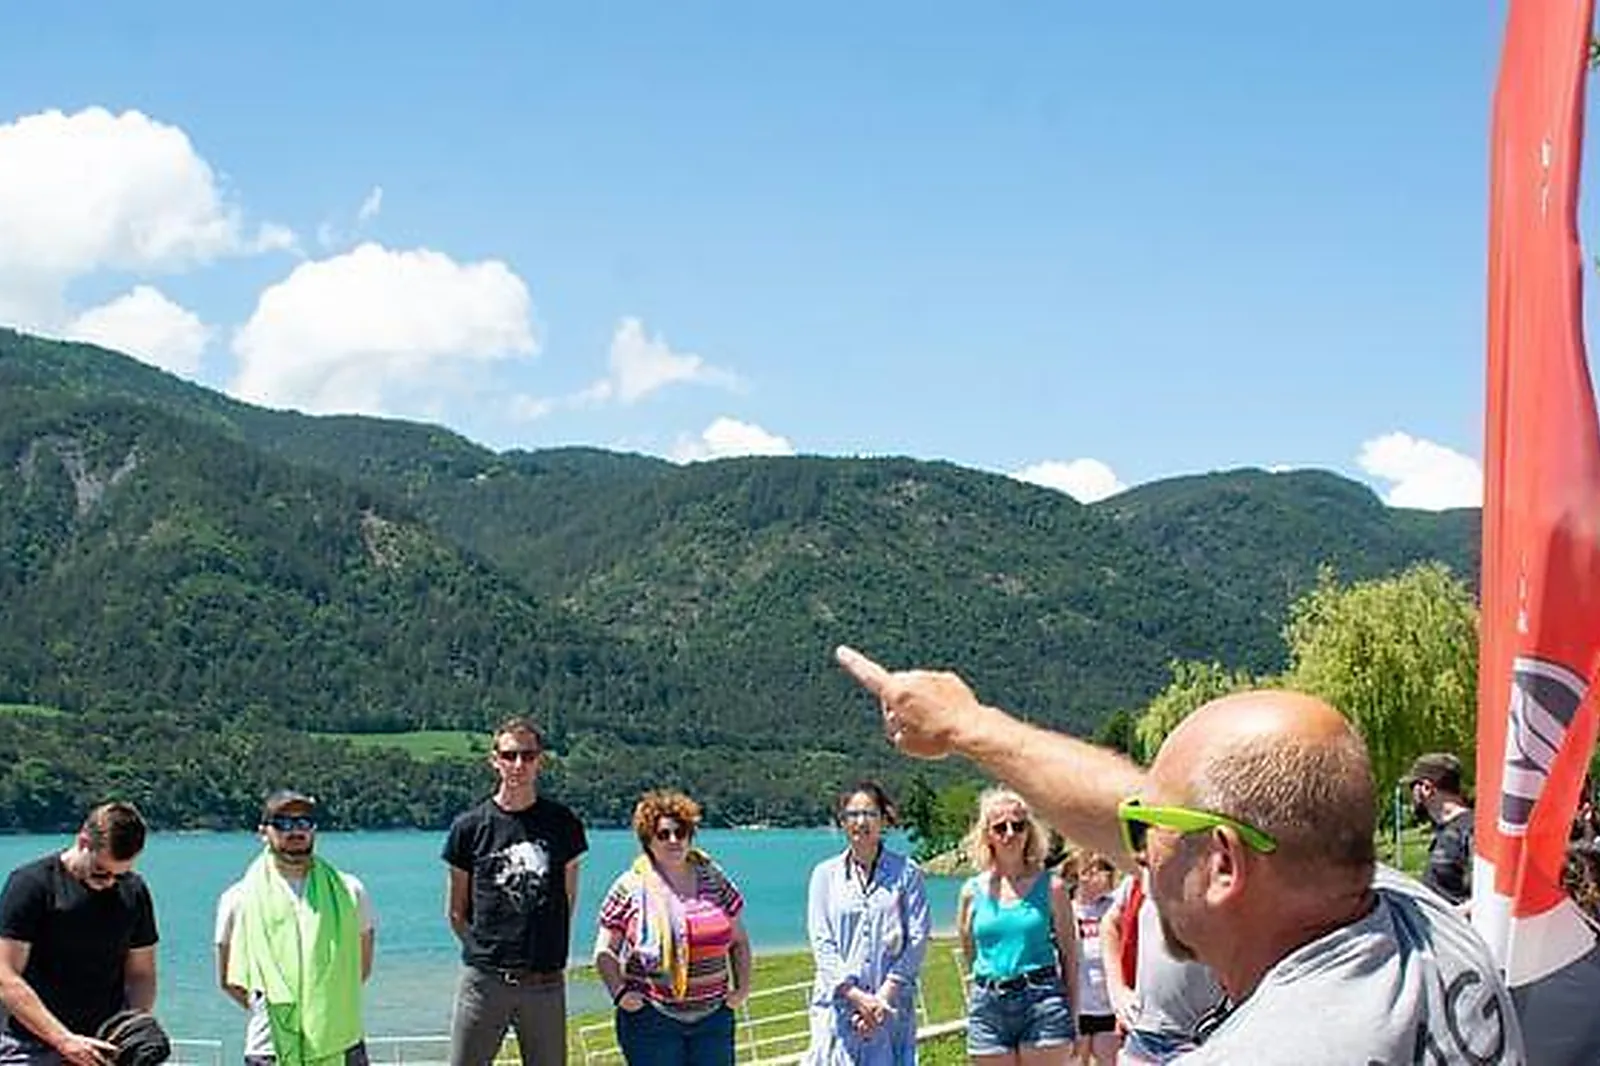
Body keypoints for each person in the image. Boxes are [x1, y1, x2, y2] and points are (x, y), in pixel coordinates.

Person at [834, 645, 1527, 1064]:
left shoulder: (1266, 1052)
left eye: (1153, 829)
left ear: (1224, 864)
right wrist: (970, 726)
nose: (1135, 844)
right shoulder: (1422, 919)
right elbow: (1129, 807)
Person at [443, 717, 588, 1066]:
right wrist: (485, 956)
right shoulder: (469, 827)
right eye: (509, 755)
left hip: (545, 984)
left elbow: (566, 900)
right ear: (494, 760)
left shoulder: (563, 823)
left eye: (527, 755)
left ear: (541, 760)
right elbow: (456, 912)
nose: (518, 765)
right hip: (484, 983)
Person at [216, 790, 377, 1066]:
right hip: (268, 1048)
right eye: (283, 823)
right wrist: (284, 1014)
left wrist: (320, 1007)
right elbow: (229, 980)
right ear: (263, 832)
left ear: (314, 830)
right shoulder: (237, 898)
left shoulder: (350, 891)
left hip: (341, 1043)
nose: (295, 831)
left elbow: (360, 968)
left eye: (304, 822)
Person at [594, 789, 753, 1066]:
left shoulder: (714, 878)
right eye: (663, 834)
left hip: (713, 1019)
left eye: (681, 832)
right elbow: (605, 950)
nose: (673, 840)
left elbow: (739, 941)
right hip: (652, 1020)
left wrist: (741, 990)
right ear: (648, 840)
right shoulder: (630, 887)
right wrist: (620, 993)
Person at [0, 802, 159, 1066]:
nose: (110, 882)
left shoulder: (134, 891)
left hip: (102, 1046)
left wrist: (132, 1026)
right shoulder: (31, 885)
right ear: (83, 841)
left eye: (120, 875)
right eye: (101, 872)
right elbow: (5, 976)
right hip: (30, 1045)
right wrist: (64, 1040)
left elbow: (141, 974)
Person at [803, 781, 931, 1065]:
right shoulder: (824, 875)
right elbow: (822, 943)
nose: (861, 822)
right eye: (853, 814)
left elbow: (917, 939)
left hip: (891, 1009)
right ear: (842, 822)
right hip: (838, 1007)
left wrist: (880, 1001)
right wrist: (856, 997)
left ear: (884, 819)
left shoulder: (907, 873)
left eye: (870, 814)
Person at [957, 787, 1079, 1064]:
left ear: (1030, 831)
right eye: (1000, 827)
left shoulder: (1053, 888)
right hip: (988, 1007)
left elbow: (1070, 955)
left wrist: (1073, 1012)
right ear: (988, 834)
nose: (1010, 834)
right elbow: (970, 952)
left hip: (1042, 1002)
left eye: (1018, 825)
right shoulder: (970, 892)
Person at [1099, 872, 1221, 1064]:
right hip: (1143, 1038)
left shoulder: (1225, 871)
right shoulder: (1146, 873)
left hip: (1204, 1041)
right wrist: (1117, 989)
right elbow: (1110, 923)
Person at [1402, 753, 1474, 908]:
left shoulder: (1470, 829)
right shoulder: (1445, 829)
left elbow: (1485, 897)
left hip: (1456, 930)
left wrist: (1451, 918)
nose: (1410, 796)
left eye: (1412, 787)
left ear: (1427, 788)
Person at [1067, 854, 1119, 1066]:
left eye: (1109, 869)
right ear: (1082, 875)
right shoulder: (1066, 910)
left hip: (1108, 1008)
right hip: (1076, 1009)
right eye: (1101, 869)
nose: (1108, 875)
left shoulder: (1114, 907)